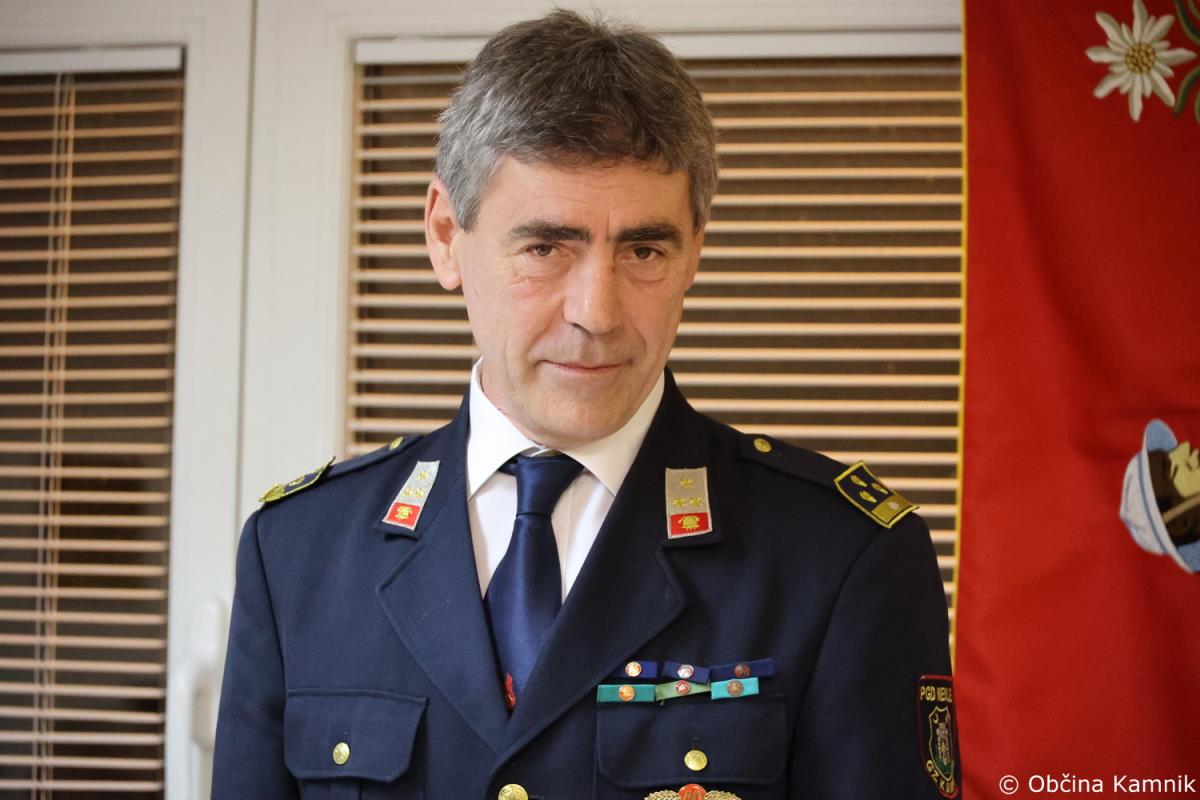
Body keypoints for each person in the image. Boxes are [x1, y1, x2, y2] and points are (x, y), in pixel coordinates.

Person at [211, 10, 957, 800]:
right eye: (545, 247)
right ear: (444, 235)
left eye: (644, 249)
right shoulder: (296, 553)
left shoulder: (842, 557)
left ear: (695, 250)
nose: (596, 313)